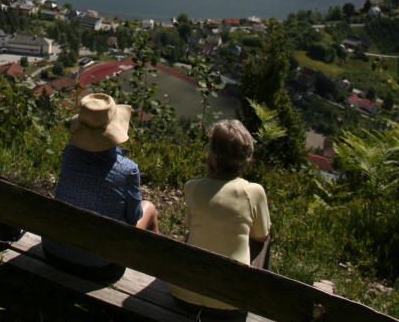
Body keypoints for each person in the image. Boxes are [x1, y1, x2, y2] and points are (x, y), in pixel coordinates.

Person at [42, 93, 159, 280]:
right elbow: (134, 217)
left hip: (52, 252)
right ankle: (156, 270)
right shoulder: (128, 169)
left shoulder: (69, 154)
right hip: (100, 268)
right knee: (149, 209)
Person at [170, 119, 271, 320]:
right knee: (266, 237)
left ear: (212, 156)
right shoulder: (254, 192)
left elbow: (190, 227)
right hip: (231, 305)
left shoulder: (192, 187)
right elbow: (261, 236)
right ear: (246, 158)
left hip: (182, 297)